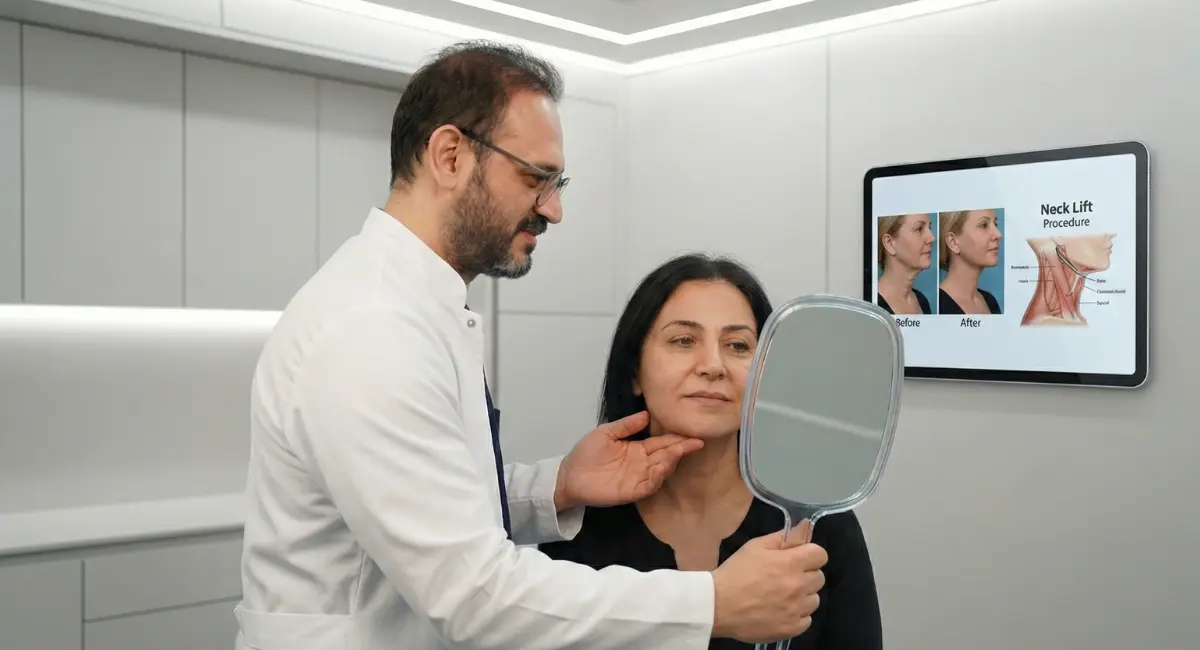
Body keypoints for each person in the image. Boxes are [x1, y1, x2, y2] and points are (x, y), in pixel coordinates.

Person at [235, 41, 829, 650]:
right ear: (449, 156)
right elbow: (473, 595)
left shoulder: (416, 311)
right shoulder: (370, 329)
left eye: (737, 345)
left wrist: (557, 486)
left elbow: (435, 503)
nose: (554, 208)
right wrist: (712, 602)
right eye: (536, 178)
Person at [540, 253, 884, 650]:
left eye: (738, 345)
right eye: (683, 340)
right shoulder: (575, 523)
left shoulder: (818, 525)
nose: (713, 365)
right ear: (635, 371)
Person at [937, 209, 1002, 314]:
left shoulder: (990, 301)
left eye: (995, 224)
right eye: (984, 225)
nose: (998, 234)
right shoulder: (939, 306)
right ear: (953, 242)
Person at [876, 213, 935, 315]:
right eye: (919, 229)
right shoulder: (873, 306)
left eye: (930, 227)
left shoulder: (922, 301)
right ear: (889, 243)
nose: (932, 238)